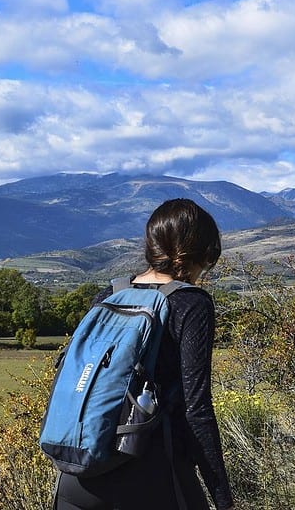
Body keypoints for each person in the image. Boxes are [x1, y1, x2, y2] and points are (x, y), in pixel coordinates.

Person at [54, 198, 234, 510]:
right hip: (152, 474)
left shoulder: (109, 295)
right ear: (201, 252)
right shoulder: (191, 304)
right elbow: (197, 410)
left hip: (78, 474)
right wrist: (223, 498)